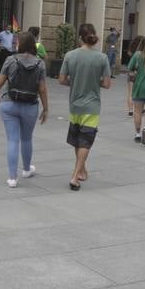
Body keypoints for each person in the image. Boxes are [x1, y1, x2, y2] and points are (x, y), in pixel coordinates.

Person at [58, 23, 112, 191]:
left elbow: (61, 79)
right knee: (86, 140)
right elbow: (107, 84)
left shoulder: (70, 55)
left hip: (75, 104)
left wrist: (74, 83)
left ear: (80, 37)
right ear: (94, 36)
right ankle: (75, 176)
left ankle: (81, 170)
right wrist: (95, 82)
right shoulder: (102, 58)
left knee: (78, 139)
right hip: (92, 105)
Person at [0, 31, 48, 187]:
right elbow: (42, 89)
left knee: (12, 139)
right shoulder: (40, 63)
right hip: (30, 105)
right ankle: (26, 169)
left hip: (9, 103)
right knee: (26, 138)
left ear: (20, 44)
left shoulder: (11, 60)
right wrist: (46, 108)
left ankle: (12, 178)